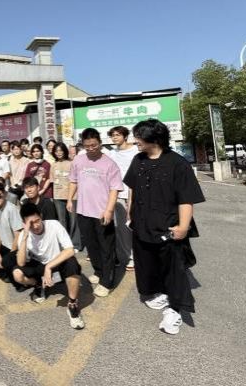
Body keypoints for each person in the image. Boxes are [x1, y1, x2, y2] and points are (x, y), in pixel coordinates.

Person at [124, 119, 205, 336]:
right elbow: (133, 188)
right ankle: (155, 292)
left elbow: (186, 199)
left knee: (174, 270)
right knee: (146, 262)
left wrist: (183, 227)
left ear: (155, 139)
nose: (136, 141)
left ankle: (175, 309)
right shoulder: (138, 160)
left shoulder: (178, 164)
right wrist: (130, 213)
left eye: (139, 137)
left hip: (168, 226)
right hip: (142, 223)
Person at [67, 128, 123, 298]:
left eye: (94, 145)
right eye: (87, 146)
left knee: (106, 248)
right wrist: (69, 199)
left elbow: (115, 189)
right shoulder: (78, 160)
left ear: (100, 142)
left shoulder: (109, 163)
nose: (91, 149)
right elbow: (73, 181)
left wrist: (109, 210)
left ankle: (107, 282)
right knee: (92, 246)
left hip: (102, 212)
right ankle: (99, 271)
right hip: (83, 211)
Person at [13, 202, 85, 329]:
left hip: (56, 263)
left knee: (72, 263)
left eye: (37, 221)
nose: (35, 226)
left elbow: (70, 250)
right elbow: (21, 263)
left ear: (41, 216)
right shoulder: (24, 235)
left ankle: (72, 305)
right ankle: (38, 284)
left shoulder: (54, 225)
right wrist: (24, 237)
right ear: (24, 223)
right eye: (31, 223)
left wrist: (49, 267)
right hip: (39, 265)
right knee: (17, 274)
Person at [106, 126, 139, 271]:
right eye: (113, 135)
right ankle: (131, 257)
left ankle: (141, 255)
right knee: (122, 229)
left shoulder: (136, 150)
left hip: (135, 194)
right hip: (118, 195)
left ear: (125, 136)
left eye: (117, 135)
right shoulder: (111, 153)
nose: (115, 138)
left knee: (137, 226)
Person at [51, 142, 81, 250]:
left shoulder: (71, 163)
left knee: (74, 220)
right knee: (62, 221)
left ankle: (76, 244)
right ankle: (65, 243)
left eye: (61, 150)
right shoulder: (53, 165)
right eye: (56, 151)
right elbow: (52, 180)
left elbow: (76, 181)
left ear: (65, 151)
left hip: (72, 196)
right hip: (58, 196)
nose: (59, 153)